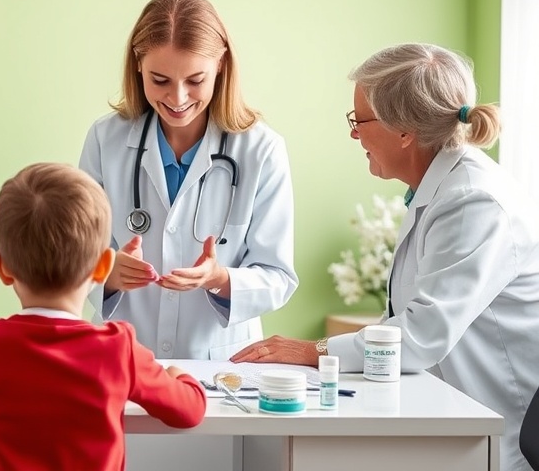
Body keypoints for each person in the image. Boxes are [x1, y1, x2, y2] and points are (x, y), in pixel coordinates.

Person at [231, 43, 539, 471]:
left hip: (499, 434)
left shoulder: (473, 202)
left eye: (359, 120)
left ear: (404, 130)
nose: (354, 134)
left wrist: (312, 350)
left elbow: (418, 336)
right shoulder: (440, 190)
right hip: (452, 415)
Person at [0, 162, 207, 471]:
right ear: (104, 266)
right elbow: (189, 411)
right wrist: (179, 375)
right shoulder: (119, 349)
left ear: (1, 267)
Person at [78, 0, 298, 359]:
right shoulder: (106, 139)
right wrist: (109, 273)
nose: (177, 98)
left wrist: (220, 279)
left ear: (221, 64)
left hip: (219, 364)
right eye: (159, 80)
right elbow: (76, 256)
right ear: (137, 65)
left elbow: (278, 276)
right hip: (122, 357)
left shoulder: (261, 150)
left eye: (195, 80)